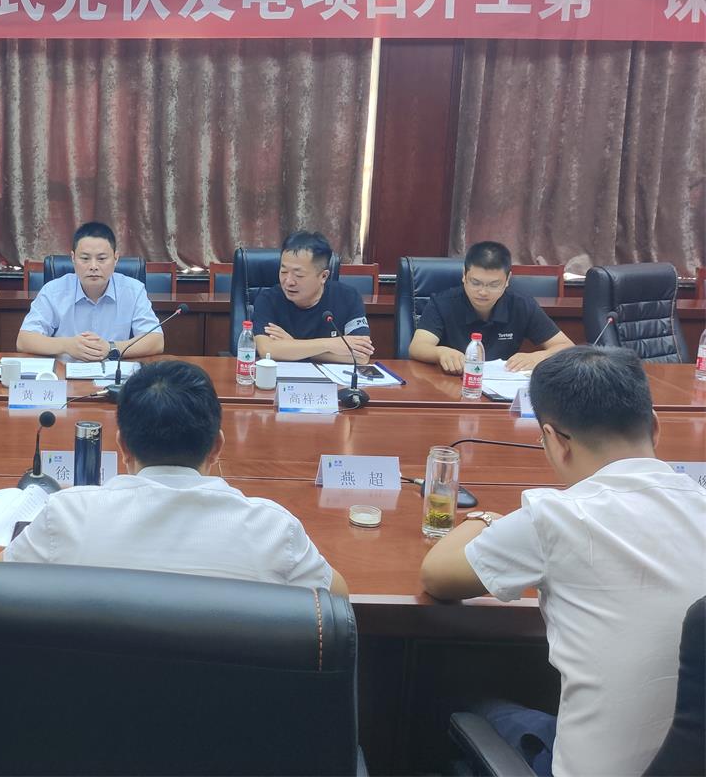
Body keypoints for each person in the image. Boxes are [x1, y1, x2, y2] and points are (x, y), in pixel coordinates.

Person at [420, 346, 706, 777]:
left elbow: (437, 576)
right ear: (654, 425)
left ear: (553, 439)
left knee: (466, 699)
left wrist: (483, 519)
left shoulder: (557, 516)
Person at [2, 360, 348, 593]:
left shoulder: (66, 515)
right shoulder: (273, 529)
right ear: (217, 447)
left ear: (122, 447)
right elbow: (337, 604)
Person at [409, 240, 572, 373]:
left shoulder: (521, 305)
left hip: (502, 386)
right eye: (475, 282)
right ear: (464, 275)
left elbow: (566, 347)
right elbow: (417, 347)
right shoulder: (443, 303)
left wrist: (538, 357)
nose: (483, 292)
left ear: (507, 280)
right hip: (451, 383)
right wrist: (440, 352)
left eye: (494, 285)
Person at [16, 221, 162, 362]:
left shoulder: (133, 290)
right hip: (65, 373)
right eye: (85, 258)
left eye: (101, 258)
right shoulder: (53, 291)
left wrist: (111, 348)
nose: (93, 266)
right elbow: (24, 340)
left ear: (116, 258)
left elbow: (156, 340)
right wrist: (67, 345)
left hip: (114, 375)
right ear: (73, 258)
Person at [252, 230, 373, 363]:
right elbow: (267, 350)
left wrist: (293, 346)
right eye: (284, 271)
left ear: (323, 276)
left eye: (299, 275)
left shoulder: (348, 298)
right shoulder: (268, 299)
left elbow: (362, 357)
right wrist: (329, 344)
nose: (288, 281)